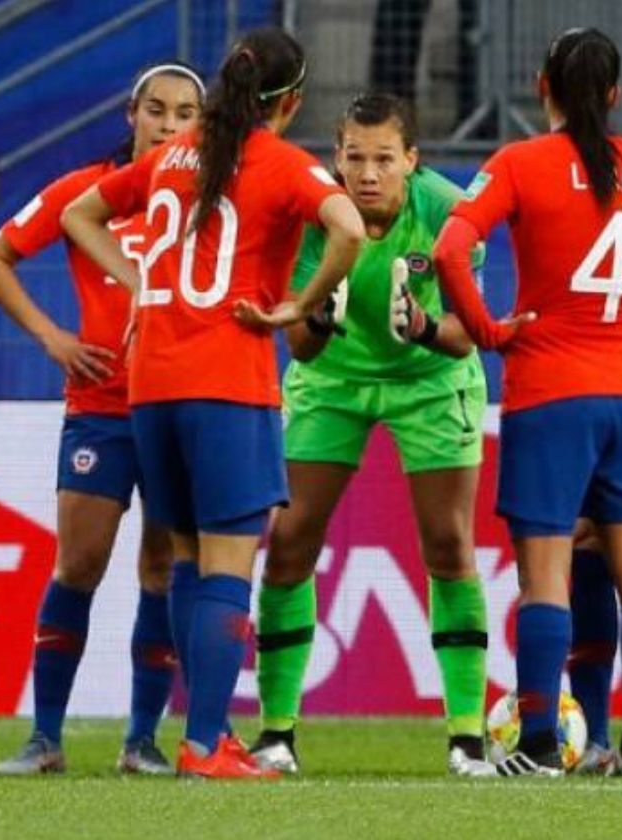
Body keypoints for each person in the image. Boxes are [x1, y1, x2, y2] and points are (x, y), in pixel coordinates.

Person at [433, 27, 622, 778]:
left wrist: (488, 331)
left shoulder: (519, 162)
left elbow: (449, 250)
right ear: (613, 95)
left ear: (543, 86)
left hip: (551, 393)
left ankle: (540, 744)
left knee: (545, 577)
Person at [62, 27, 365, 780]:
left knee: (188, 561)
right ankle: (205, 743)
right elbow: (350, 228)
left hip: (152, 386)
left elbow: (78, 216)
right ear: (289, 102)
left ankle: (202, 734)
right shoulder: (283, 164)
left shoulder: (169, 157)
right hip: (228, 382)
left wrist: (141, 288)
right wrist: (300, 302)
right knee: (229, 559)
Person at [247, 93, 494, 778]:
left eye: (384, 159)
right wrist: (320, 318)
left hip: (430, 383)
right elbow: (299, 347)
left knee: (448, 544)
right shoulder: (316, 214)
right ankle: (276, 734)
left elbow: (466, 333)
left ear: (411, 161)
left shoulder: (447, 210)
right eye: (354, 157)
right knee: (291, 539)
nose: (367, 173)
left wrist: (420, 326)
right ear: (337, 156)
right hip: (335, 382)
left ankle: (467, 738)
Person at [0, 62, 204, 777]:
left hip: (175, 407)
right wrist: (54, 338)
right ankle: (44, 739)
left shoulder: (210, 201)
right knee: (77, 563)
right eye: (157, 110)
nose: (169, 125)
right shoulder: (85, 194)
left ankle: (142, 742)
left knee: (162, 568)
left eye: (185, 114)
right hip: (100, 409)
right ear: (130, 114)